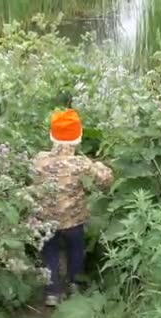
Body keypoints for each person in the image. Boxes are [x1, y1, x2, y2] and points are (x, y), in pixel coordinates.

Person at [30, 108, 113, 307]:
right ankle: (75, 285)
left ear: (52, 135)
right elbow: (105, 181)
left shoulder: (39, 159)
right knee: (76, 249)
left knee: (49, 252)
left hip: (46, 220)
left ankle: (52, 292)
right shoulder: (81, 164)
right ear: (78, 138)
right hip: (73, 222)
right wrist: (101, 165)